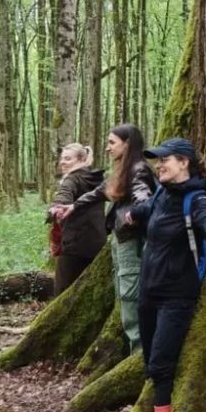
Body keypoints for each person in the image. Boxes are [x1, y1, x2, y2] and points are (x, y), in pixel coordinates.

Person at [123, 137, 206, 412]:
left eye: (165, 160)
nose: (160, 166)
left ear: (184, 162)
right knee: (151, 365)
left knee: (161, 365)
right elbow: (145, 213)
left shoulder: (195, 199)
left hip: (177, 297)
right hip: (149, 294)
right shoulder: (161, 194)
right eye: (157, 161)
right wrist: (128, 214)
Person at [58, 124, 156, 353]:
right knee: (123, 295)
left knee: (130, 296)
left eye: (112, 143)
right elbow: (100, 191)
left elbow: (145, 198)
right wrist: (73, 206)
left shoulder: (138, 169)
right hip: (120, 239)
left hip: (131, 241)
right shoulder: (123, 170)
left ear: (127, 143)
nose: (108, 148)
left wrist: (137, 213)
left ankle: (140, 355)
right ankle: (135, 351)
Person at [48, 144, 107, 295]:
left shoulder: (71, 179)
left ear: (81, 159)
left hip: (74, 246)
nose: (62, 162)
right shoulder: (96, 179)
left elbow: (64, 194)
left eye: (67, 158)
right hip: (97, 245)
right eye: (62, 158)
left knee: (62, 293)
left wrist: (56, 207)